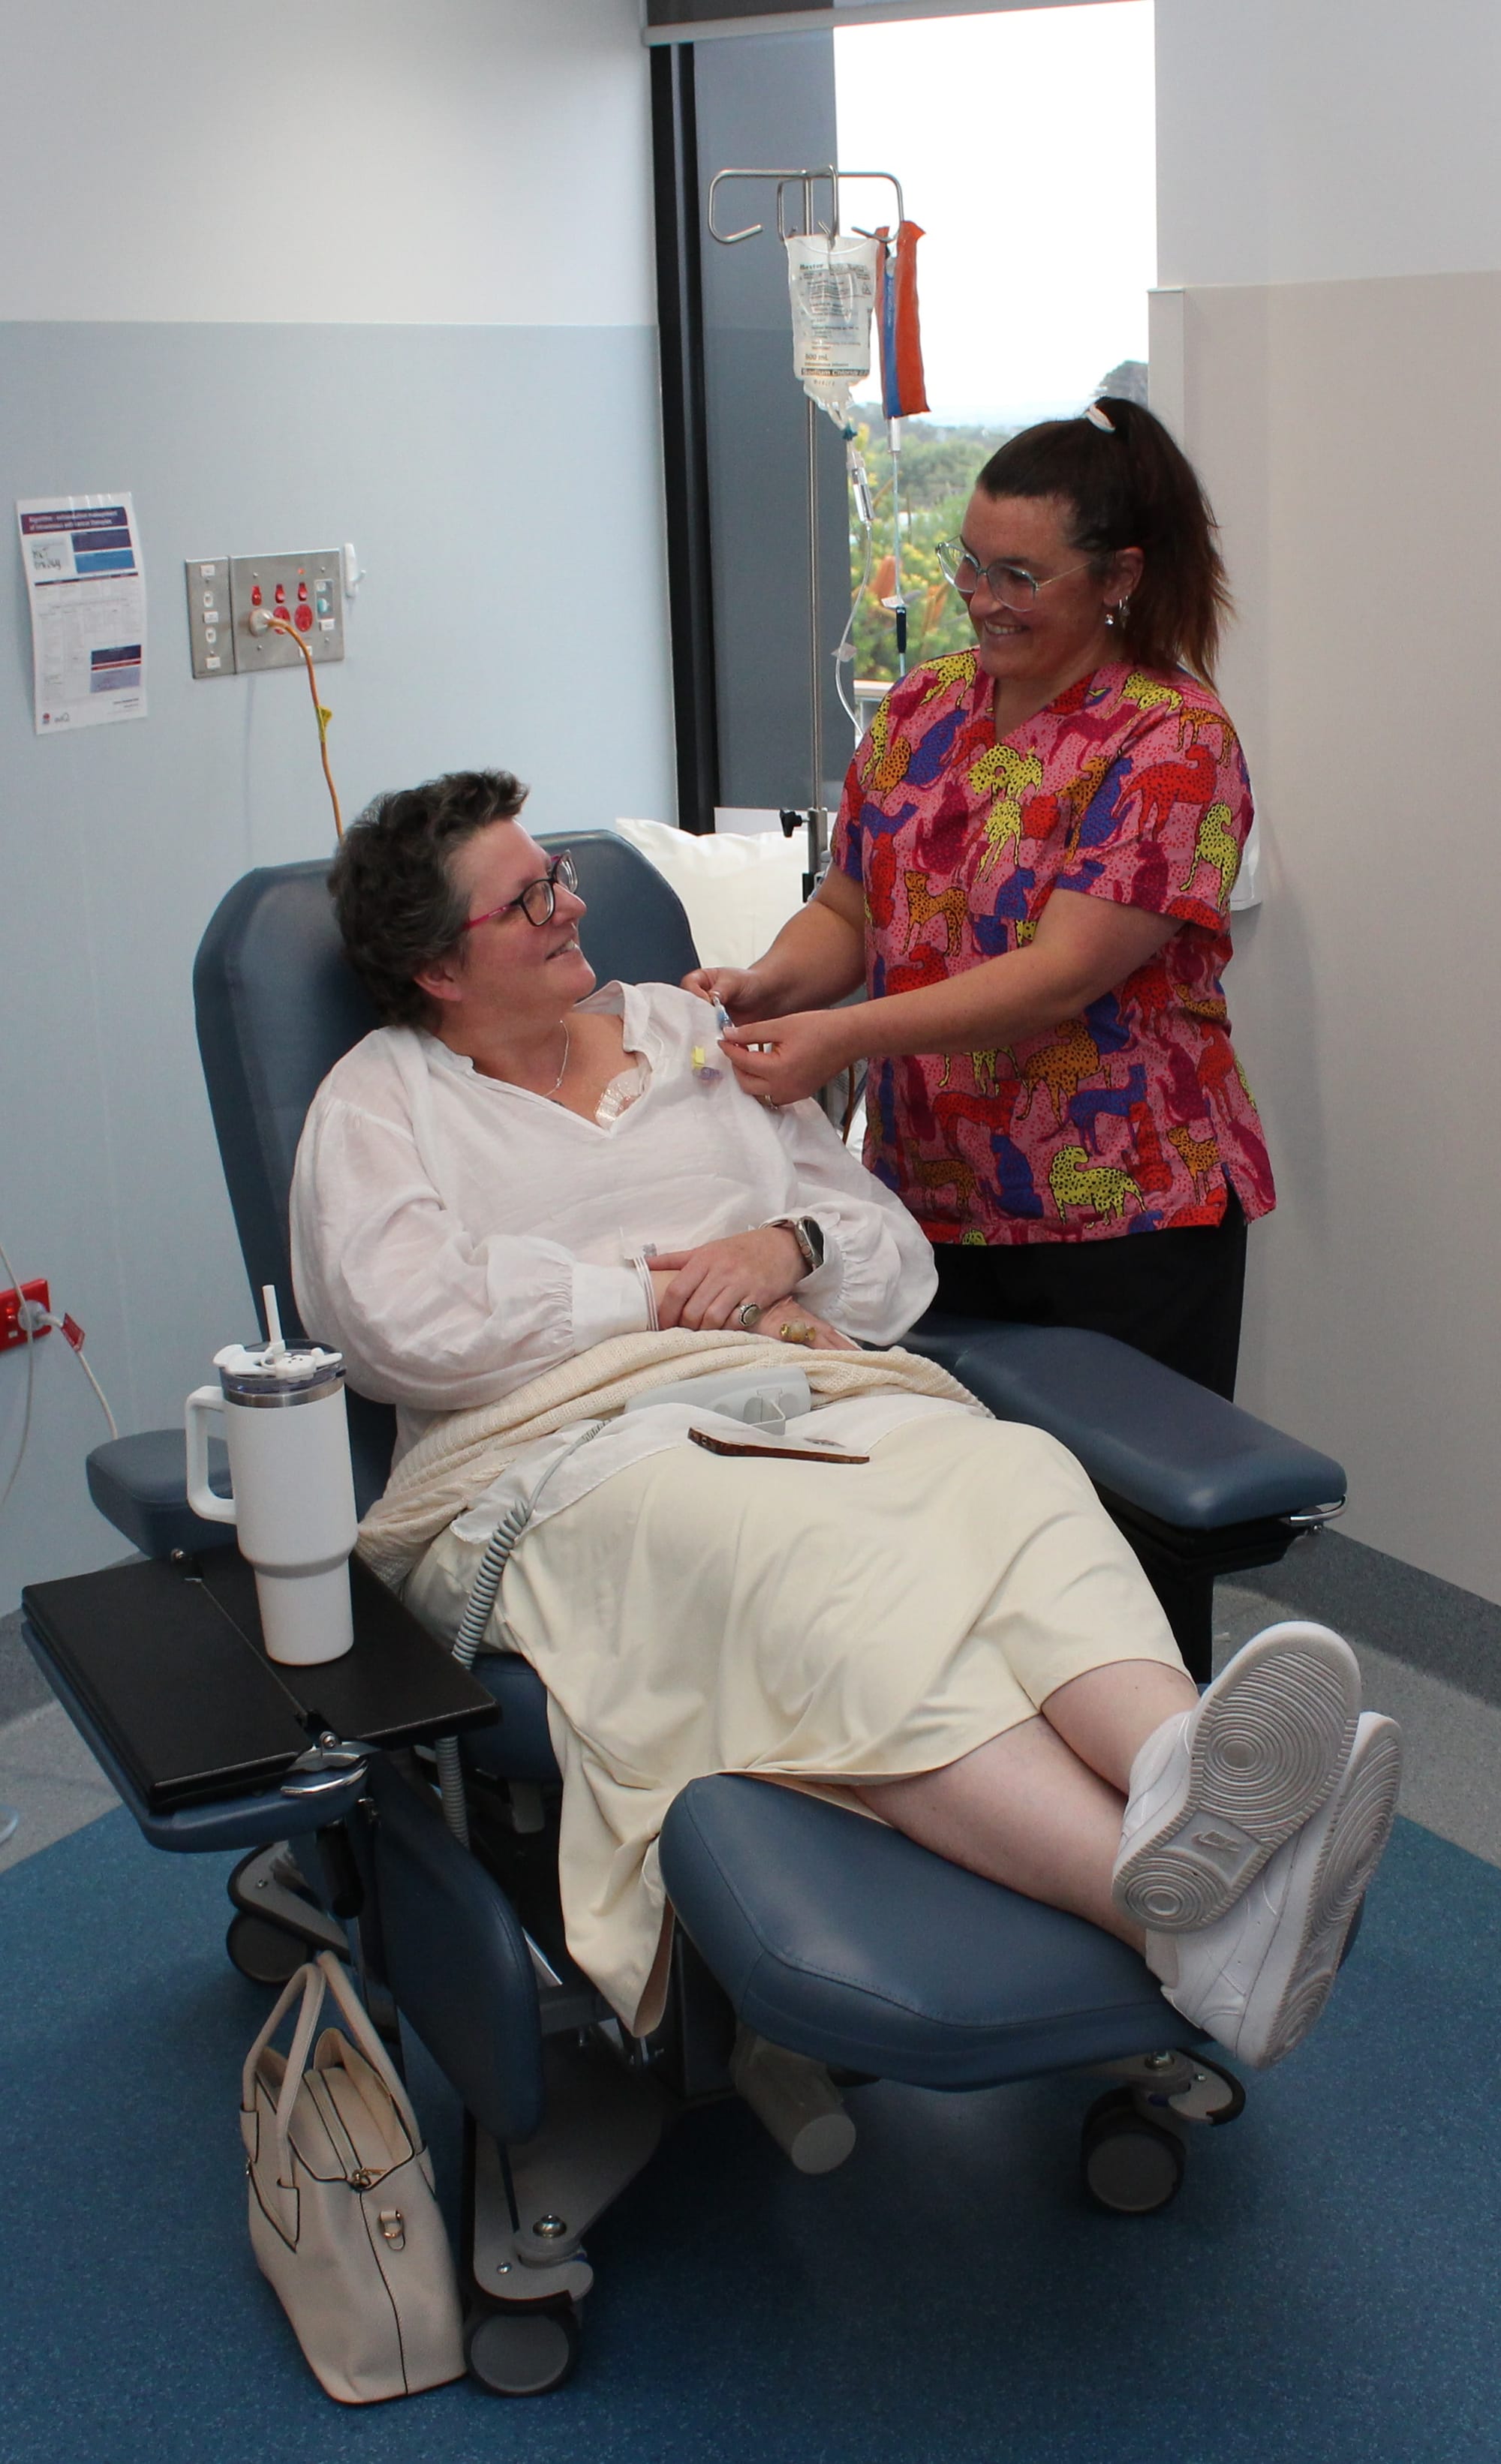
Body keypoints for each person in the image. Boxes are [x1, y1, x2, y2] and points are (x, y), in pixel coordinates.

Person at [290, 768, 1398, 2063]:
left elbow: (890, 1256)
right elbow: (397, 1323)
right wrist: (649, 1296)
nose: (569, 902)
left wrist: (786, 1242)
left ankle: (1184, 1776)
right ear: (438, 968)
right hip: (581, 1456)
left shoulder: (683, 1035)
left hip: (816, 1389)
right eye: (529, 896)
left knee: (1017, 1477)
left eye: (558, 876)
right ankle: (1176, 1916)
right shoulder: (383, 1101)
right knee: (817, 1576)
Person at [689, 398, 1271, 1400]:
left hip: (1120, 1213)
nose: (983, 598)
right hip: (931, 1199)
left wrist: (843, 1037)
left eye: (1021, 577)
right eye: (970, 565)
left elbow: (1059, 976)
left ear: (1119, 578)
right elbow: (849, 910)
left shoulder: (1172, 741)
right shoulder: (923, 706)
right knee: (966, 1508)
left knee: (1126, 1523)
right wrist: (773, 985)